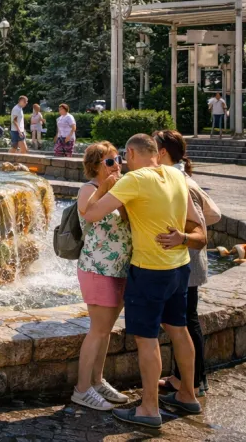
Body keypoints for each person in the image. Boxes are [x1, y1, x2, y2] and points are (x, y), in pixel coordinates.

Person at [83, 134, 207, 429]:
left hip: (150, 270)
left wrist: (103, 186)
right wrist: (182, 237)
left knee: (146, 339)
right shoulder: (178, 175)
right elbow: (197, 224)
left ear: (131, 153)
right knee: (179, 330)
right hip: (179, 268)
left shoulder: (134, 180)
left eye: (125, 158)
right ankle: (188, 394)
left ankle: (149, 408)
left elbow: (90, 214)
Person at [154, 130, 221, 398]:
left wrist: (183, 231)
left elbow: (211, 216)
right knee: (184, 320)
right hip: (187, 260)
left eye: (152, 145)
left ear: (162, 153)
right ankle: (182, 378)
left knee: (186, 322)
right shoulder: (180, 177)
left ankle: (193, 382)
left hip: (187, 260)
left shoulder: (181, 181)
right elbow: (213, 213)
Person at [72, 142, 133, 411]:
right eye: (109, 161)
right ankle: (81, 389)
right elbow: (87, 216)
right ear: (96, 165)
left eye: (117, 159)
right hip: (97, 268)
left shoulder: (121, 189)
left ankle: (97, 381)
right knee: (97, 331)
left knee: (106, 330)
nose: (116, 164)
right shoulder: (89, 189)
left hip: (119, 268)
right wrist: (107, 188)